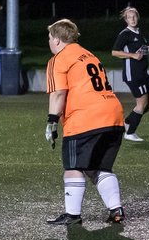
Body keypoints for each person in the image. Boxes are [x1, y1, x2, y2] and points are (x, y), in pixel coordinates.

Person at [44, 19, 125, 225]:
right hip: (113, 115)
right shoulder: (88, 54)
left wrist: (52, 122)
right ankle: (116, 209)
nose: (49, 42)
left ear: (58, 39)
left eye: (50, 37)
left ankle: (73, 215)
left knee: (73, 166)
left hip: (86, 118)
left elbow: (58, 93)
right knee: (97, 167)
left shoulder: (59, 59)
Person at [111, 6, 149, 143]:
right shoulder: (125, 34)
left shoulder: (139, 32)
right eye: (129, 17)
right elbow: (114, 52)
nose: (132, 19)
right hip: (133, 74)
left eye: (134, 16)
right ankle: (130, 132)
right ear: (126, 19)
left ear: (137, 17)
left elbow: (141, 49)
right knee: (142, 103)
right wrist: (132, 55)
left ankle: (127, 122)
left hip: (143, 72)